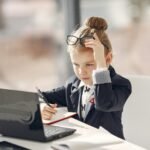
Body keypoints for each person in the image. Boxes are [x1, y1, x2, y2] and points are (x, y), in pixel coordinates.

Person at [41, 16, 132, 139]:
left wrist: (100, 65)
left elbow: (104, 103)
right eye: (76, 64)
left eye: (89, 64)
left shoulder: (121, 85)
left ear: (108, 59)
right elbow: (42, 96)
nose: (81, 71)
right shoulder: (73, 84)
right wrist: (42, 107)